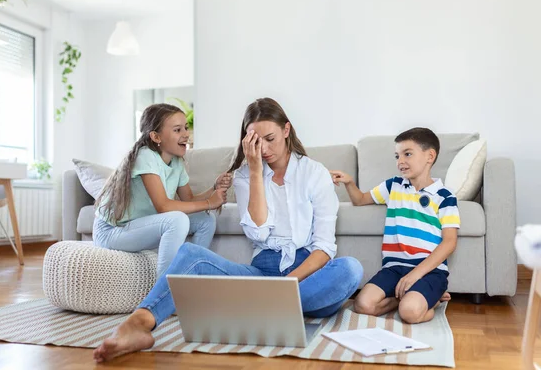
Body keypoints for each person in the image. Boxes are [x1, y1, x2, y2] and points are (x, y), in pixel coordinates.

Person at [93, 97, 363, 363]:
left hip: (306, 276)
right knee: (191, 254)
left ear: (286, 130)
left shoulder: (315, 173)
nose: (264, 149)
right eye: (255, 142)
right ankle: (139, 324)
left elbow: (324, 248)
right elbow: (257, 234)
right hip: (262, 271)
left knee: (350, 269)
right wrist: (256, 172)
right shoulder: (246, 174)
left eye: (270, 139)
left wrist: (287, 285)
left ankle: (253, 307)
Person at [330, 127, 458, 324]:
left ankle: (433, 302)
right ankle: (407, 298)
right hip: (394, 268)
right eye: (397, 156)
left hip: (428, 271)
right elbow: (361, 199)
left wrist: (416, 274)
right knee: (363, 305)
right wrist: (349, 182)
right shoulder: (393, 186)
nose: (400, 162)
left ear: (429, 156)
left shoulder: (445, 197)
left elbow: (449, 242)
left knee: (410, 313)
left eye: (407, 154)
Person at [93, 103, 230, 276]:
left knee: (206, 220)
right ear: (156, 137)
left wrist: (213, 188)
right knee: (176, 220)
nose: (186, 134)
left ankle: (192, 277)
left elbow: (188, 200)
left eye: (185, 128)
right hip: (111, 232)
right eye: (177, 130)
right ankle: (164, 290)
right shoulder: (145, 156)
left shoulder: (177, 162)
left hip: (135, 227)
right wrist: (210, 202)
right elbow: (163, 207)